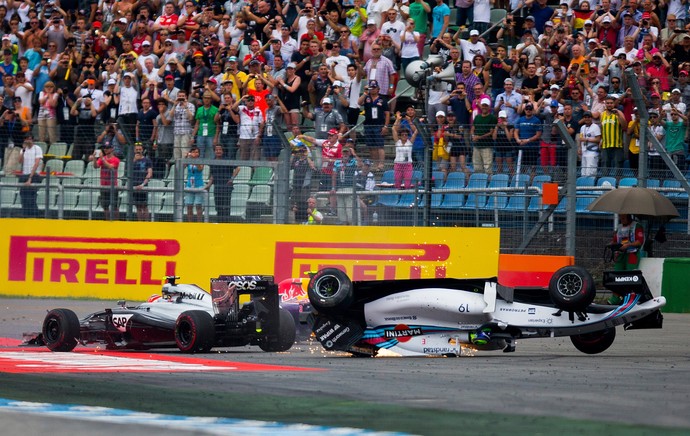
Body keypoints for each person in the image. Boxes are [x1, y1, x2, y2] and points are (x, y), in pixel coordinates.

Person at [609, 214, 645, 304]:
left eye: (624, 217)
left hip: (632, 254)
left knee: (630, 276)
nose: (622, 219)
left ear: (629, 216)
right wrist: (612, 245)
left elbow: (639, 241)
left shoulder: (637, 226)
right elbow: (614, 240)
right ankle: (616, 297)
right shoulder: (619, 227)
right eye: (621, 217)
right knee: (617, 276)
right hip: (620, 255)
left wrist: (628, 245)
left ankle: (630, 297)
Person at [207, 145, 240, 223]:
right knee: (218, 206)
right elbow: (212, 175)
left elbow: (238, 168)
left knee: (226, 206)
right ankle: (219, 222)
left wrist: (231, 179)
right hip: (217, 186)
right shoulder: (213, 161)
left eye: (220, 149)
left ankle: (226, 223)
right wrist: (208, 185)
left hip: (226, 186)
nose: (218, 151)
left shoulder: (228, 159)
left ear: (223, 151)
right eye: (216, 150)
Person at [93, 143, 120, 221]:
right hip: (104, 186)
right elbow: (96, 166)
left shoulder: (116, 159)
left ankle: (117, 222)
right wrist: (95, 158)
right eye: (104, 148)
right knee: (105, 206)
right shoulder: (102, 158)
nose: (105, 149)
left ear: (112, 149)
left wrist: (102, 159)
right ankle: (107, 221)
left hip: (113, 186)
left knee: (114, 206)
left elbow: (111, 167)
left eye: (107, 148)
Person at [17, 136, 43, 218]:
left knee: (31, 197)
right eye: (26, 139)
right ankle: (25, 215)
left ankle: (34, 215)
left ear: (32, 140)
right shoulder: (23, 150)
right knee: (23, 196)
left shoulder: (37, 148)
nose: (27, 141)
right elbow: (20, 161)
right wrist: (23, 150)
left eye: (29, 139)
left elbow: (36, 163)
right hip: (24, 174)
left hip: (34, 175)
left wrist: (30, 178)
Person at [132, 143, 153, 221]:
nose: (138, 151)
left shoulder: (147, 160)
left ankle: (146, 223)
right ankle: (140, 222)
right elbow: (128, 172)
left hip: (143, 185)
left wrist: (143, 184)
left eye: (140, 149)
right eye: (137, 150)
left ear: (143, 150)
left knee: (144, 206)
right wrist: (134, 160)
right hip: (134, 185)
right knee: (137, 206)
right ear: (134, 150)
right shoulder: (131, 160)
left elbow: (149, 173)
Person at [184, 146, 205, 222]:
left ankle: (199, 223)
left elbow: (200, 168)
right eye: (193, 152)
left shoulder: (201, 161)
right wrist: (185, 158)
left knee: (198, 206)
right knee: (189, 206)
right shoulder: (188, 161)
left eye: (197, 152)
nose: (195, 154)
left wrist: (194, 160)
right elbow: (182, 167)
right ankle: (190, 223)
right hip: (189, 185)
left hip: (199, 185)